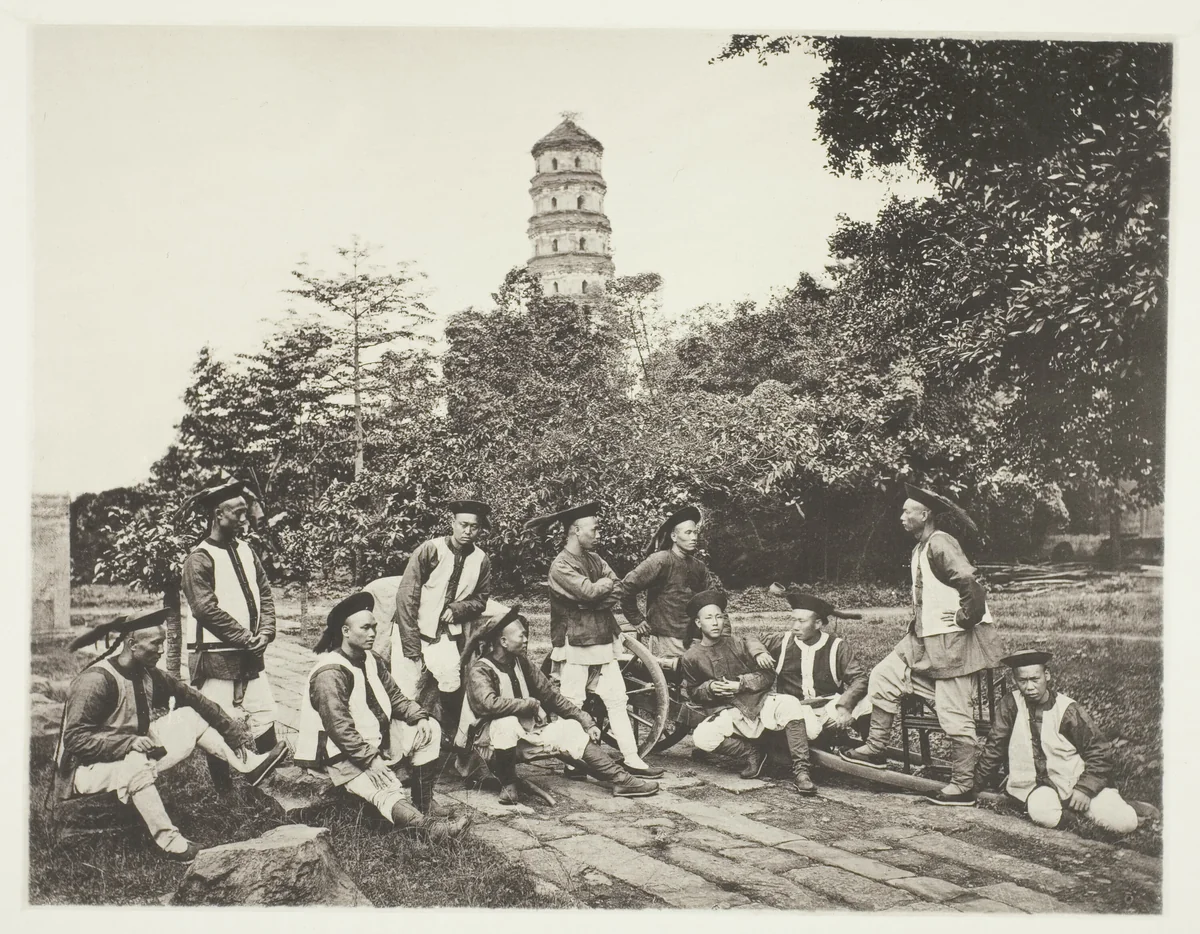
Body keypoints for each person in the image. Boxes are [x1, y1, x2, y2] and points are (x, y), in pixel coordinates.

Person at [55, 609, 289, 861]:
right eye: (156, 643)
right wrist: (128, 743)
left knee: (191, 715)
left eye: (164, 642)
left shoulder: (145, 672)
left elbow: (194, 698)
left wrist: (230, 729)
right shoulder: (95, 681)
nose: (162, 650)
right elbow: (75, 740)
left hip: (132, 751)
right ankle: (171, 843)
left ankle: (249, 766)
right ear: (132, 645)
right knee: (135, 763)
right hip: (86, 771)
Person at [842, 483, 1005, 806]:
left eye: (907, 511)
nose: (901, 517)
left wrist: (965, 618)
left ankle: (962, 786)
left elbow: (970, 583)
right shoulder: (919, 548)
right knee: (884, 676)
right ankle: (876, 748)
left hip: (952, 642)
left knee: (953, 713)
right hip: (922, 640)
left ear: (924, 514)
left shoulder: (940, 543)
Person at [293, 592, 471, 842]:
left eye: (374, 627)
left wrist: (418, 716)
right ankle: (431, 831)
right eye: (365, 628)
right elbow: (339, 728)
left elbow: (395, 697)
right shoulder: (329, 673)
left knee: (430, 728)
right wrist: (370, 760)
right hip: (339, 753)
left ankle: (424, 803)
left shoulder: (370, 659)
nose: (372, 633)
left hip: (372, 741)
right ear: (345, 631)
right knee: (384, 787)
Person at [456, 603, 660, 804]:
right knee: (506, 723)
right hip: (485, 747)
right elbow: (488, 704)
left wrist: (584, 720)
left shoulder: (521, 662)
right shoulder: (480, 669)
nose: (527, 640)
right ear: (503, 641)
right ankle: (508, 785)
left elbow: (551, 696)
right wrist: (529, 705)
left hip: (523, 737)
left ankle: (621, 780)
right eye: (521, 636)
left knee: (571, 730)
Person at [524, 501, 663, 779]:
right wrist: (597, 593)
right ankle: (572, 762)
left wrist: (595, 598)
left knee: (617, 698)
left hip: (602, 637)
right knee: (572, 702)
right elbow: (587, 592)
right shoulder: (560, 566)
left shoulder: (596, 559)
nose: (598, 534)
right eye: (594, 529)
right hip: (575, 642)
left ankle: (632, 758)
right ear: (576, 530)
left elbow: (617, 588)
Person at [181, 474, 280, 793]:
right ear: (217, 515)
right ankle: (225, 794)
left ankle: (272, 783)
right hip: (215, 654)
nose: (244, 518)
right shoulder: (199, 558)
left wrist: (264, 631)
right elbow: (204, 609)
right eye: (237, 513)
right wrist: (246, 638)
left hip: (250, 652)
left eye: (244, 511)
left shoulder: (248, 551)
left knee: (264, 712)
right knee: (218, 719)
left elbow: (264, 592)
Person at [974, 649, 1139, 834]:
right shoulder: (1010, 705)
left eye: (1035, 679)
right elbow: (995, 747)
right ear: (1014, 680)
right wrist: (973, 785)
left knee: (1125, 823)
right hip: (1034, 786)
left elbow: (1099, 752)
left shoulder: (1067, 709)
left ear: (1047, 675)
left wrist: (1085, 788)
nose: (1029, 687)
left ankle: (1103, 806)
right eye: (1023, 681)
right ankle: (1076, 821)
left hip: (1073, 782)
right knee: (1043, 813)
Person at [680, 590, 818, 795]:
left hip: (759, 703)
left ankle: (801, 771)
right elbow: (692, 692)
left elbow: (768, 676)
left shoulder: (738, 643)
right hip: (729, 711)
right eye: (709, 618)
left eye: (719, 616)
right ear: (699, 624)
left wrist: (741, 684)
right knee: (702, 737)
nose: (716, 622)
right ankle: (751, 753)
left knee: (789, 703)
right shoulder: (691, 656)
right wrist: (709, 688)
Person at [390, 501, 493, 737]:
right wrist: (411, 645)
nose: (468, 531)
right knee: (406, 688)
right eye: (463, 525)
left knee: (451, 679)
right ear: (452, 524)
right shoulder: (431, 550)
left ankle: (446, 736)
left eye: (474, 527)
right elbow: (406, 597)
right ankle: (401, 747)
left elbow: (481, 599)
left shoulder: (481, 560)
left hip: (444, 634)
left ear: (480, 530)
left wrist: (459, 609)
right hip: (411, 629)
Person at [762, 590, 872, 749]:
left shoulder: (837, 646)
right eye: (793, 620)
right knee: (811, 730)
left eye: (801, 621)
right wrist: (759, 652)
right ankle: (825, 742)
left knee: (870, 702)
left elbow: (860, 679)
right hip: (796, 713)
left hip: (827, 709)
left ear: (818, 624)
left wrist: (845, 705)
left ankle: (869, 749)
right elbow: (749, 641)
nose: (795, 627)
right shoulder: (782, 641)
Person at [620, 505, 722, 667]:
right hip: (667, 638)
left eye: (695, 532)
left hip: (695, 637)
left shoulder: (699, 566)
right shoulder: (660, 560)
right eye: (688, 533)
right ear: (674, 536)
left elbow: (712, 599)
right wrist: (637, 619)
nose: (694, 537)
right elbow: (627, 586)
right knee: (668, 683)